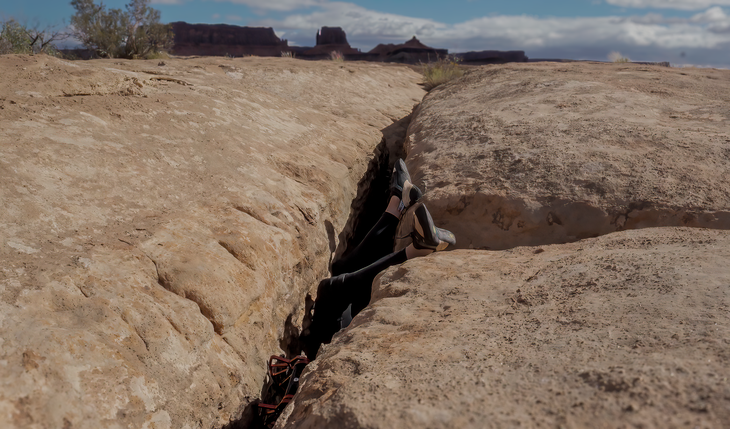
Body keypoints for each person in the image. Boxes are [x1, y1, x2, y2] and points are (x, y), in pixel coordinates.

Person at [303, 159, 455, 357]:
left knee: (342, 268)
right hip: (329, 349)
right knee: (329, 289)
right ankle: (416, 246)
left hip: (327, 340)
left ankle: (396, 206)